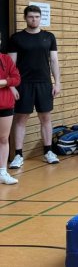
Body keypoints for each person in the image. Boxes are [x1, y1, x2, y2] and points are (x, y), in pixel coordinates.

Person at [8, 5, 61, 168]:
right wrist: (12, 86)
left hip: (44, 83)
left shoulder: (49, 37)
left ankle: (48, 152)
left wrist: (57, 82)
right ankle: (18, 155)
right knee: (20, 119)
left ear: (40, 18)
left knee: (45, 118)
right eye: (31, 17)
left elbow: (54, 61)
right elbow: (11, 65)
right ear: (25, 18)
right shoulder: (16, 38)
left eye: (37, 17)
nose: (34, 19)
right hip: (23, 84)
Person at [0, 34, 21, 184]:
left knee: (3, 138)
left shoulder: (6, 59)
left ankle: (2, 172)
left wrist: (4, 82)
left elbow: (16, 78)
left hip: (5, 104)